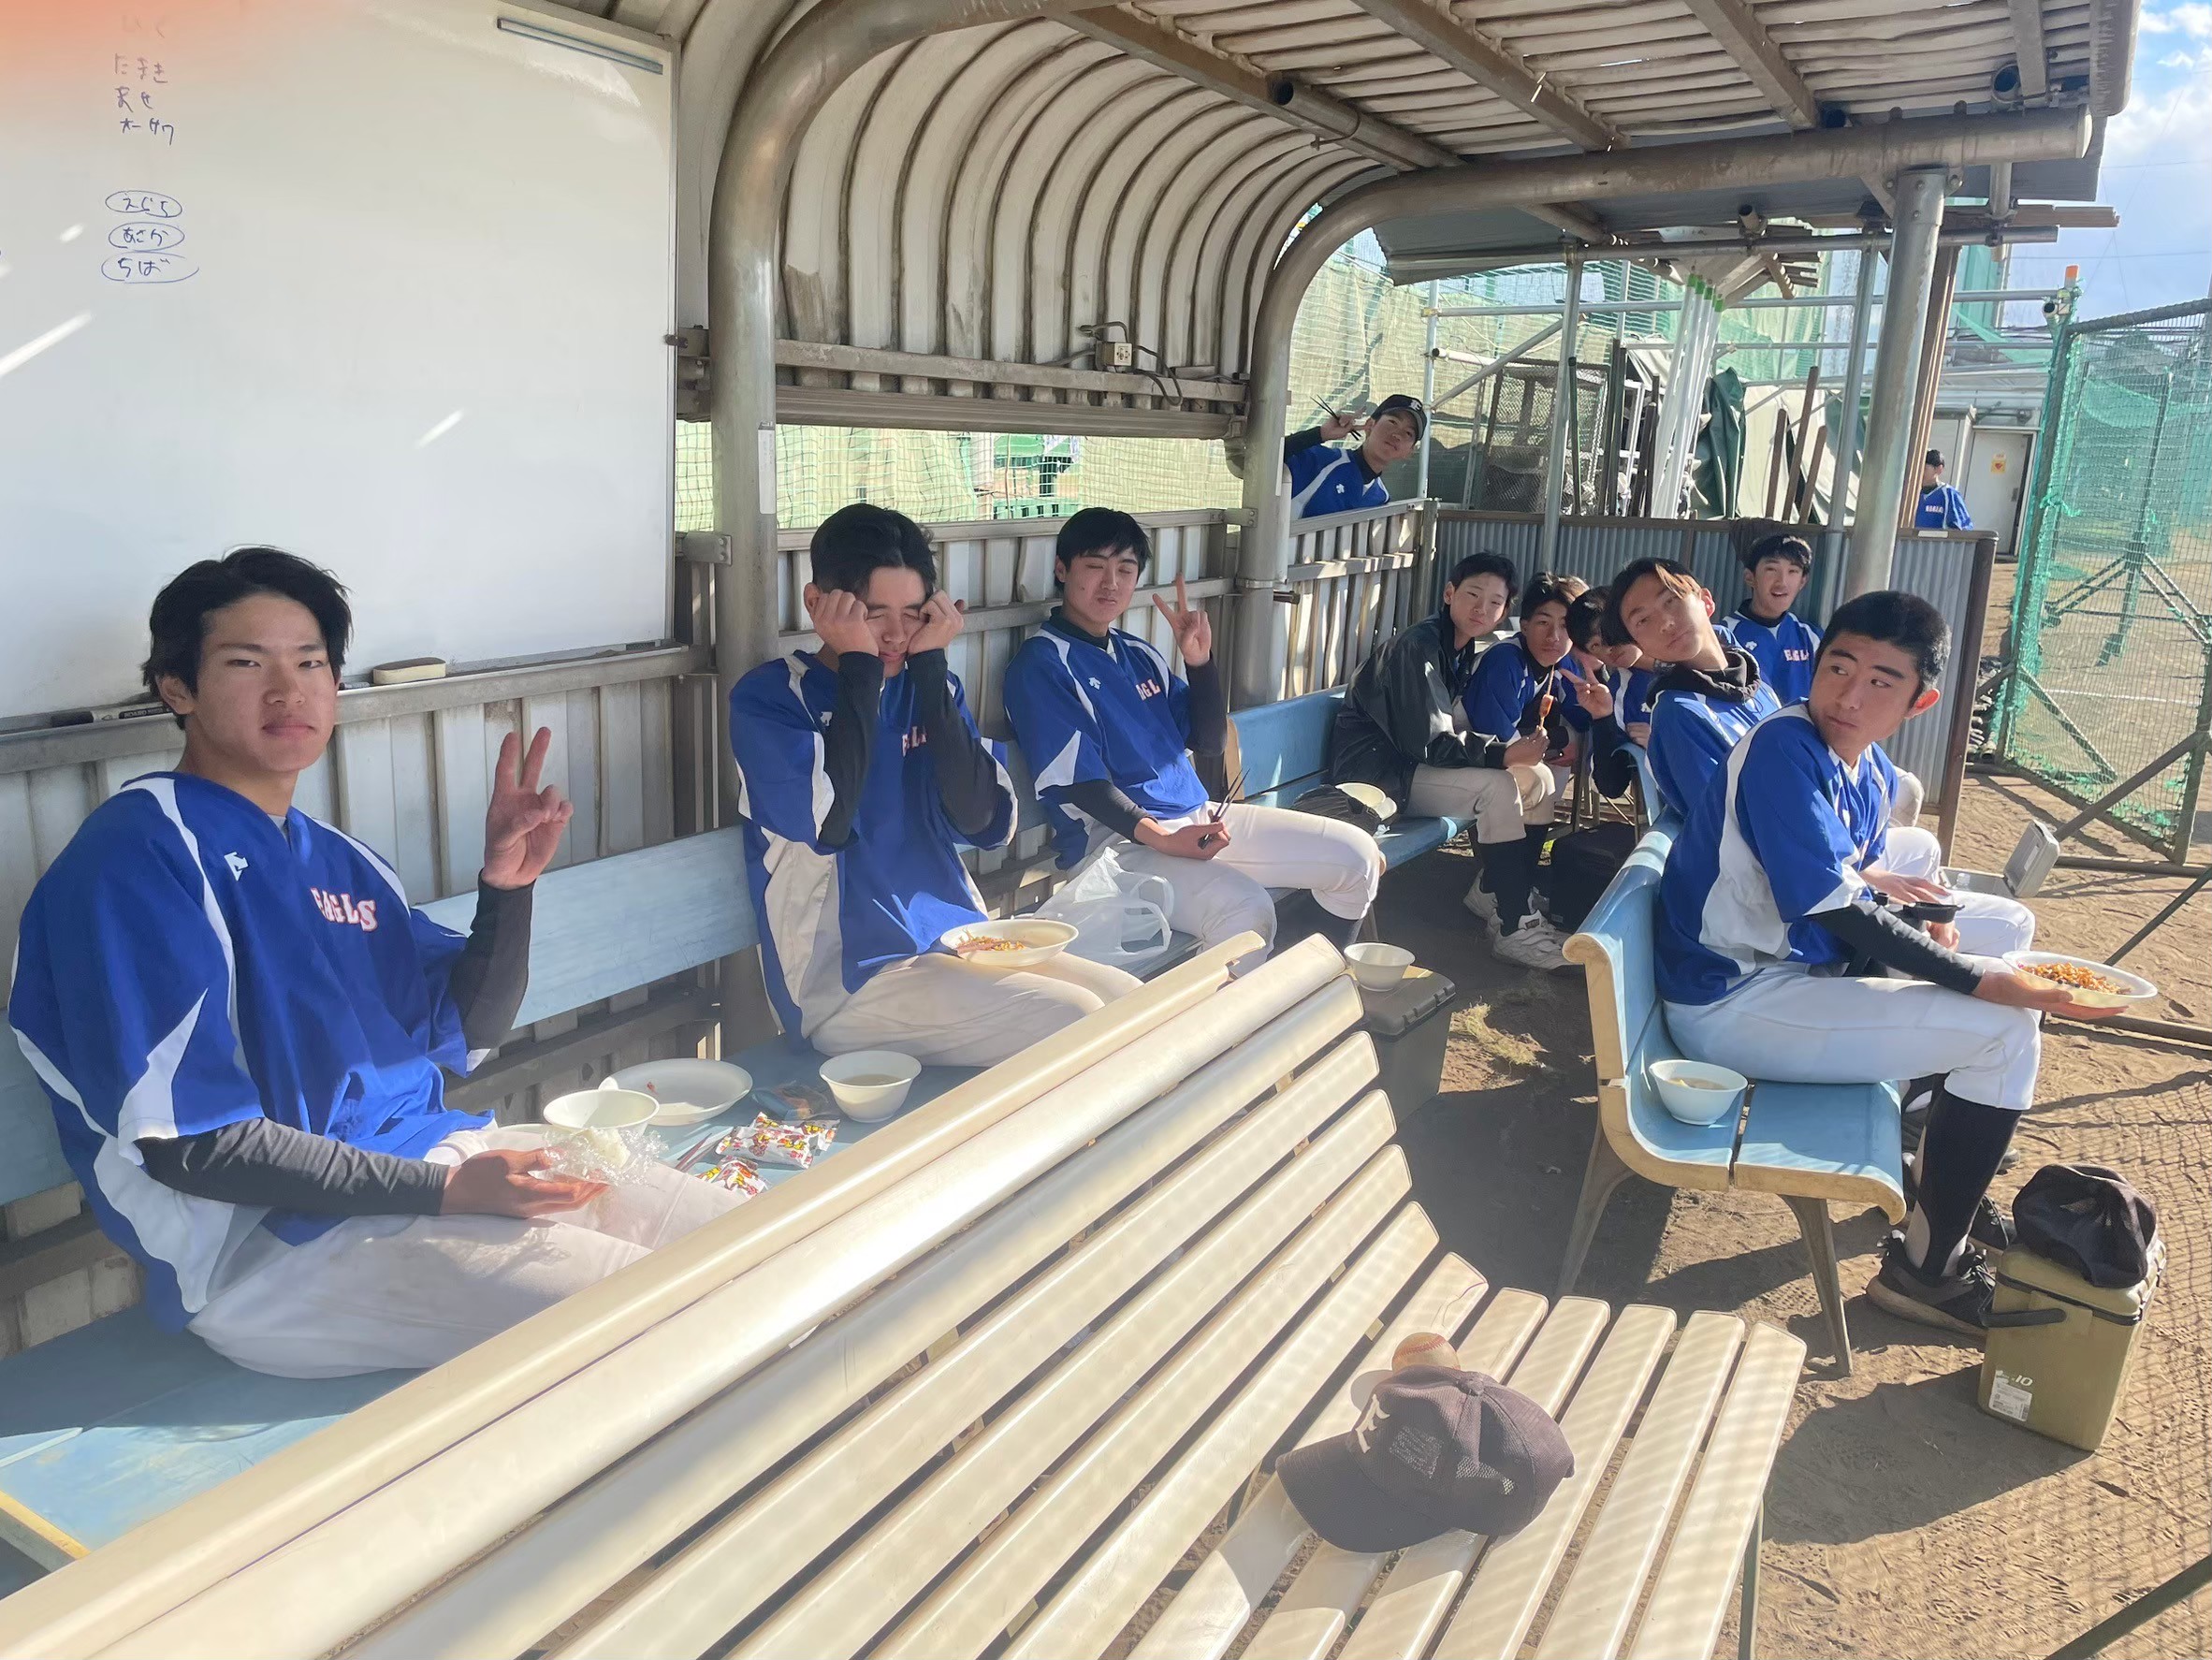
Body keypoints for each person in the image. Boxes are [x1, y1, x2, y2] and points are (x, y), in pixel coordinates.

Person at [7, 549, 744, 1379]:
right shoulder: (137, 855)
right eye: (246, 664)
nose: (288, 691)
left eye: (311, 662)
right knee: (676, 1327)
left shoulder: (344, 862)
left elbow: (465, 1033)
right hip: (271, 1255)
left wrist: (507, 890)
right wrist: (446, 1192)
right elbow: (193, 1146)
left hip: (435, 1163)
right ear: (177, 689)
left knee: (768, 1246)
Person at [1654, 590, 2085, 1334]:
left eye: (1882, 681)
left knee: (2009, 925)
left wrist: (1934, 922)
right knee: (2005, 1031)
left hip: (1787, 972)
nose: (1850, 696)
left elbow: (1859, 880)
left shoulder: (1862, 761)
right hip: (1730, 1000)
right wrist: (1978, 979)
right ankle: (1929, 1271)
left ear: (1920, 702)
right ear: (1816, 665)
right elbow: (1838, 911)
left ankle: (1938, 1159)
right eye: (1839, 667)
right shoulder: (1785, 746)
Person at [732, 505, 1138, 1065]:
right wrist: (859, 666)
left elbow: (982, 821)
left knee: (1132, 1002)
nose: (897, 634)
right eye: (872, 614)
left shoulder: (929, 685)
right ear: (817, 603)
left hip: (957, 941)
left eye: (913, 614)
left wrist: (929, 672)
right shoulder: (771, 698)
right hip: (850, 983)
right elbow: (831, 823)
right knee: (1078, 1021)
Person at [1003, 508, 1382, 972]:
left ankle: (1312, 987)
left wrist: (1200, 664)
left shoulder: (1137, 653)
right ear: (1062, 570)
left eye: (1125, 570)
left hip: (1195, 820)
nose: (1111, 583)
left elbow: (1208, 741)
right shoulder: (1041, 664)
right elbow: (1083, 785)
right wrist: (1164, 839)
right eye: (1095, 566)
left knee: (1357, 858)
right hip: (1118, 849)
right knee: (1247, 912)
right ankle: (1231, 1018)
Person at [1456, 571, 1585, 969]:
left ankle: (1498, 890)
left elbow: (1575, 721)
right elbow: (1497, 740)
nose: (1554, 636)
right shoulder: (1505, 660)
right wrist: (1555, 744)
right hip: (1455, 764)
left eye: (1565, 626)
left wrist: (1570, 735)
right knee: (1536, 777)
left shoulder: (1556, 665)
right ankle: (1510, 912)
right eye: (1543, 622)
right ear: (1524, 624)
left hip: (1486, 765)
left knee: (1542, 776)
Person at [1601, 558, 1779, 820]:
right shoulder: (1678, 715)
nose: (1665, 623)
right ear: (1640, 646)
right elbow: (1726, 824)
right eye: (1643, 620)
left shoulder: (1756, 682)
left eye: (1671, 600)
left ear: (1706, 600)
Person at [1283, 394, 1426, 520]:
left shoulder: (1381, 498)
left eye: (1408, 433)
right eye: (1393, 422)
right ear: (1370, 425)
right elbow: (1272, 456)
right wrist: (1321, 433)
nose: (1397, 435)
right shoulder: (1321, 461)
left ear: (1410, 451)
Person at [1562, 589, 1641, 800]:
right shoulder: (1616, 693)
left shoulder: (1694, 651)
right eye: (1595, 645)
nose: (1608, 648)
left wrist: (1660, 739)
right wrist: (1602, 717)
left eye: (1608, 631)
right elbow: (1610, 786)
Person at [1728, 532, 1822, 705]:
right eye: (1771, 569)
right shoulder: (1726, 635)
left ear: (1802, 582)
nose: (1782, 582)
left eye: (1793, 571)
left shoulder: (1811, 638)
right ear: (1750, 577)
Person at [1916, 449, 1973, 531]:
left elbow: (1963, 528)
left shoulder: (1949, 494)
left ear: (1938, 469)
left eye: (1924, 469)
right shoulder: (1909, 493)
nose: (1920, 472)